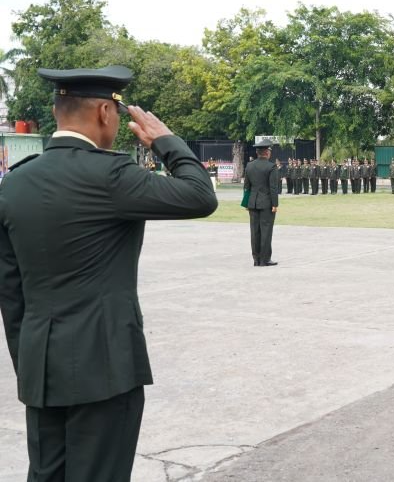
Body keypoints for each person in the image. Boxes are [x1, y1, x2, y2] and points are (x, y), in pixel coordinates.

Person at [0, 65, 217, 481]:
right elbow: (199, 195)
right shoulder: (111, 175)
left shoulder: (15, 183)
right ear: (104, 112)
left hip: (41, 367)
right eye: (116, 114)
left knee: (47, 474)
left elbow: (11, 293)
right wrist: (166, 141)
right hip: (105, 368)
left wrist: (30, 362)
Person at [244, 139, 279, 266]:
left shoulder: (249, 165)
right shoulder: (271, 167)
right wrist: (275, 204)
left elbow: (246, 187)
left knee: (254, 232)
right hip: (266, 203)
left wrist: (246, 203)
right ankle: (265, 259)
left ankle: (256, 259)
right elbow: (273, 188)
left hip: (252, 203)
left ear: (258, 152)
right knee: (266, 231)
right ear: (267, 152)